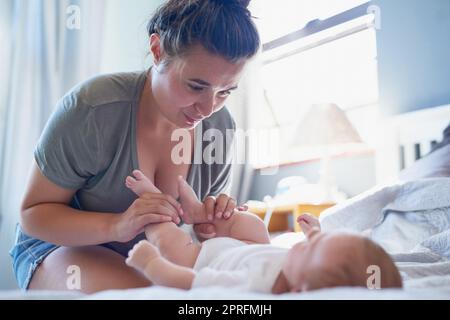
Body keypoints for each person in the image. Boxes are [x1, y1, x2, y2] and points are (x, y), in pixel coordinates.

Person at [10, 0, 259, 293]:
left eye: (225, 92)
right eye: (196, 86)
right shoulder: (93, 108)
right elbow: (33, 214)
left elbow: (201, 239)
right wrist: (118, 224)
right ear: (157, 51)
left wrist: (215, 224)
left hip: (151, 257)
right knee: (147, 294)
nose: (208, 108)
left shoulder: (220, 127)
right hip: (60, 246)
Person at [125, 170, 403, 293]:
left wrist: (153, 265)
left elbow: (194, 282)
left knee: (174, 248)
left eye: (310, 247)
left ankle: (155, 204)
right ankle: (197, 212)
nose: (304, 244)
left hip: (204, 258)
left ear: (297, 291)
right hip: (247, 247)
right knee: (253, 224)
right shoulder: (302, 269)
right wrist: (314, 235)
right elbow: (323, 254)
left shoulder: (257, 286)